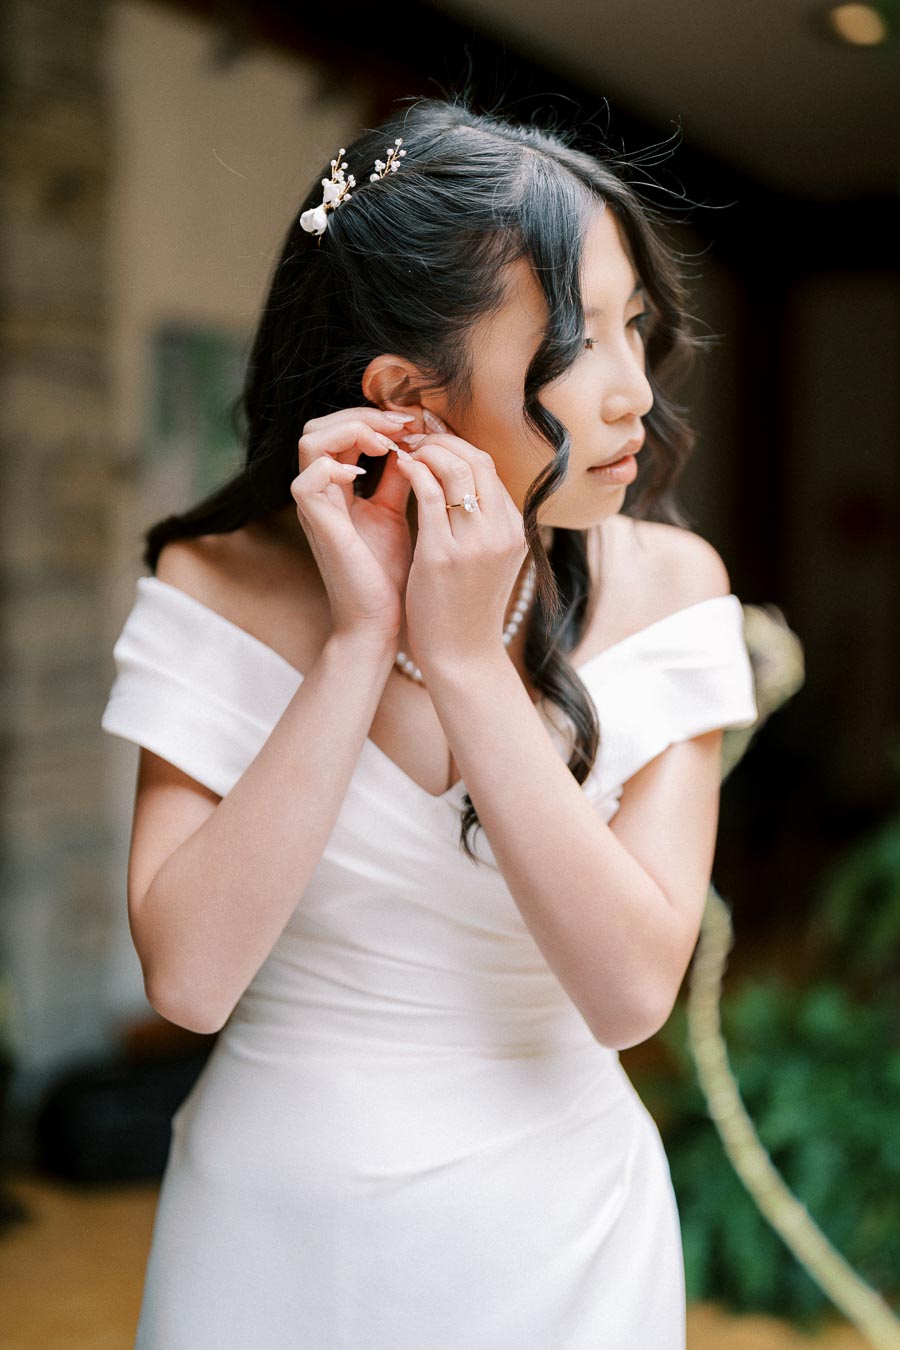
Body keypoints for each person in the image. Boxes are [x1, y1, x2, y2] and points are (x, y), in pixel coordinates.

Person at [100, 91, 758, 1349]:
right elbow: (187, 979)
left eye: (634, 324)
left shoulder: (675, 590)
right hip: (272, 1238)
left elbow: (632, 993)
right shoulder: (216, 582)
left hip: (566, 1242)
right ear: (409, 392)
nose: (634, 390)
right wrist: (360, 642)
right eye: (578, 341)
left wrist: (462, 661)